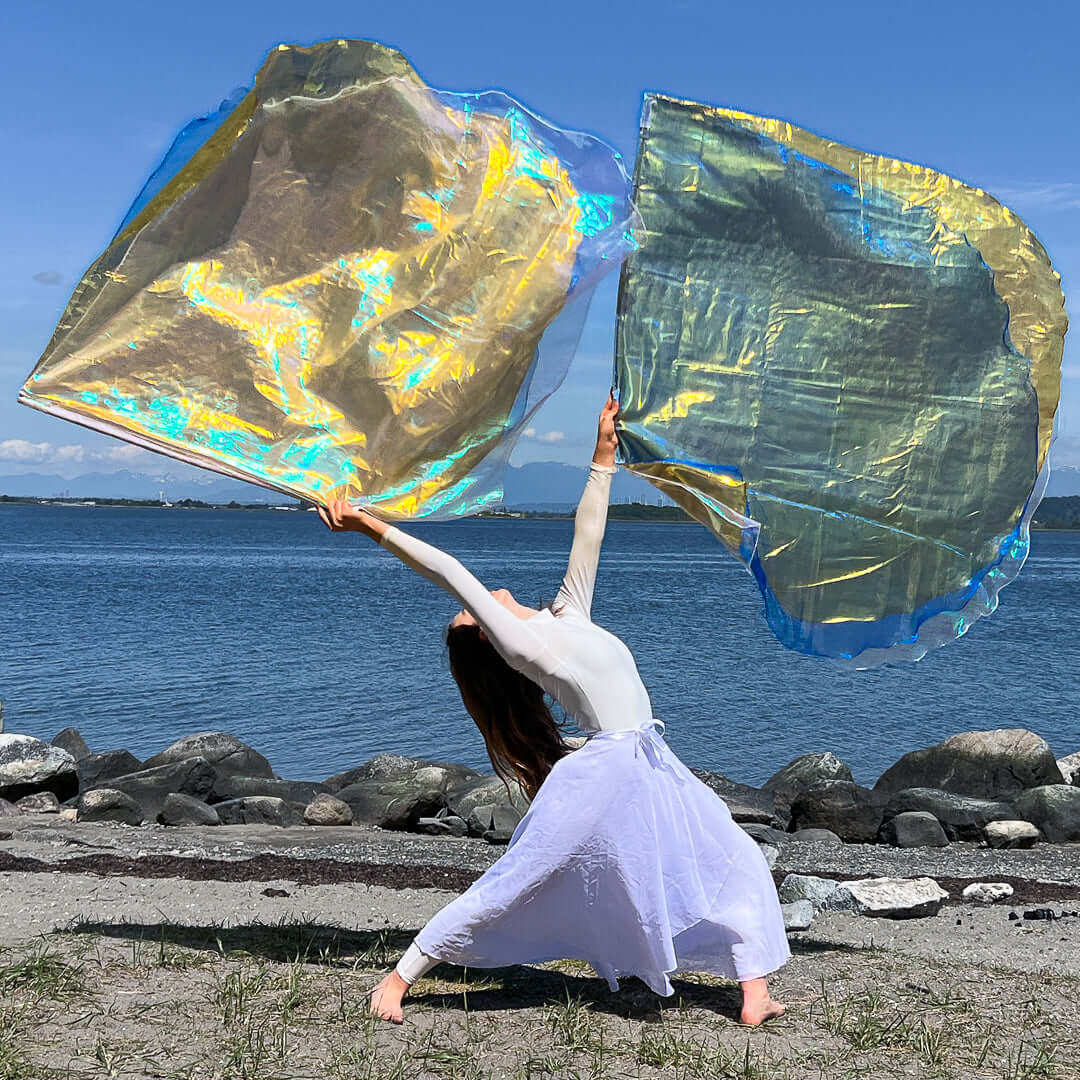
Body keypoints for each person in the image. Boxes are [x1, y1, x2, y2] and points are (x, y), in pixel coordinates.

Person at [317, 394, 789, 1026]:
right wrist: (367, 525)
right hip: (605, 769)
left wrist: (602, 453)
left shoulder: (567, 614)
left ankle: (753, 987)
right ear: (486, 634)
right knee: (516, 879)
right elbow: (450, 570)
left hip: (647, 758)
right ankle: (400, 977)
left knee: (734, 856)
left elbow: (588, 529)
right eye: (474, 613)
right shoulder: (523, 645)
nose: (485, 599)